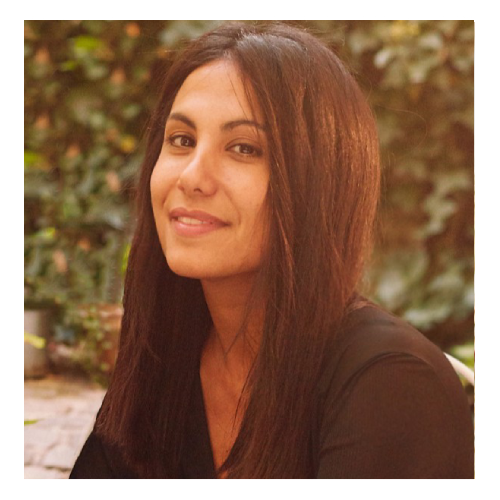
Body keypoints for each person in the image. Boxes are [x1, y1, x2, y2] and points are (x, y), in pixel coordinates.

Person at [69, 22, 474, 479]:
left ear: (318, 183)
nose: (192, 176)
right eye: (182, 140)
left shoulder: (391, 382)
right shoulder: (166, 353)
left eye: (244, 148)